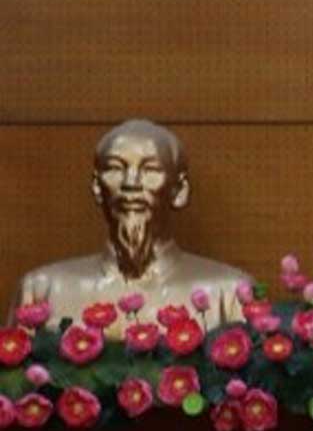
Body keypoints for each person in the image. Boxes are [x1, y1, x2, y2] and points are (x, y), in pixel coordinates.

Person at [14, 119, 252, 331]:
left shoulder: (229, 293)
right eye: (115, 168)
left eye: (151, 170)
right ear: (97, 187)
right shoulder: (41, 291)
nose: (131, 183)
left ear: (179, 191)